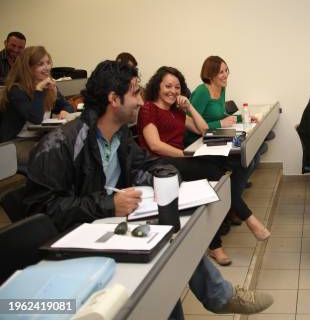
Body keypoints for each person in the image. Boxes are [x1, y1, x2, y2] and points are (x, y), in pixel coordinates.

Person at [22, 60, 273, 316]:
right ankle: (221, 297)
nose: (141, 102)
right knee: (166, 256)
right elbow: (41, 212)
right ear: (113, 99)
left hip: (111, 225)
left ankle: (221, 296)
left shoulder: (118, 136)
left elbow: (152, 164)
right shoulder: (59, 145)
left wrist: (164, 179)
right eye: (135, 93)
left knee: (172, 240)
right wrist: (108, 204)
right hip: (77, 243)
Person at [137, 66, 233, 266]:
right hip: (158, 164)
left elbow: (204, 129)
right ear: (157, 86)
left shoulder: (176, 112)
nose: (173, 91)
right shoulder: (148, 108)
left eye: (177, 87)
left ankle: (216, 240)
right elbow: (155, 145)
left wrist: (189, 107)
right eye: (168, 86)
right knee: (212, 172)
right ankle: (220, 241)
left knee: (215, 171)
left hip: (178, 162)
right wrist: (184, 156)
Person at [185, 56, 270, 246]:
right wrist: (218, 124)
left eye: (226, 70)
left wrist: (244, 119)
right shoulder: (201, 92)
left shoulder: (221, 88)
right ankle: (234, 207)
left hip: (216, 137)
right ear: (210, 74)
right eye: (220, 72)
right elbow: (190, 121)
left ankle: (232, 205)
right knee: (237, 163)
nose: (225, 75)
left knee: (249, 157)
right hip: (199, 142)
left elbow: (223, 116)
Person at [0, 46, 74, 166]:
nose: (47, 68)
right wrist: (39, 90)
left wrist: (65, 111)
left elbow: (67, 105)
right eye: (41, 64)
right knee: (53, 158)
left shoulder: (48, 87)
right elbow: (35, 118)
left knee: (71, 150)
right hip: (14, 144)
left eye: (48, 63)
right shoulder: (16, 90)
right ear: (27, 68)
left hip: (39, 139)